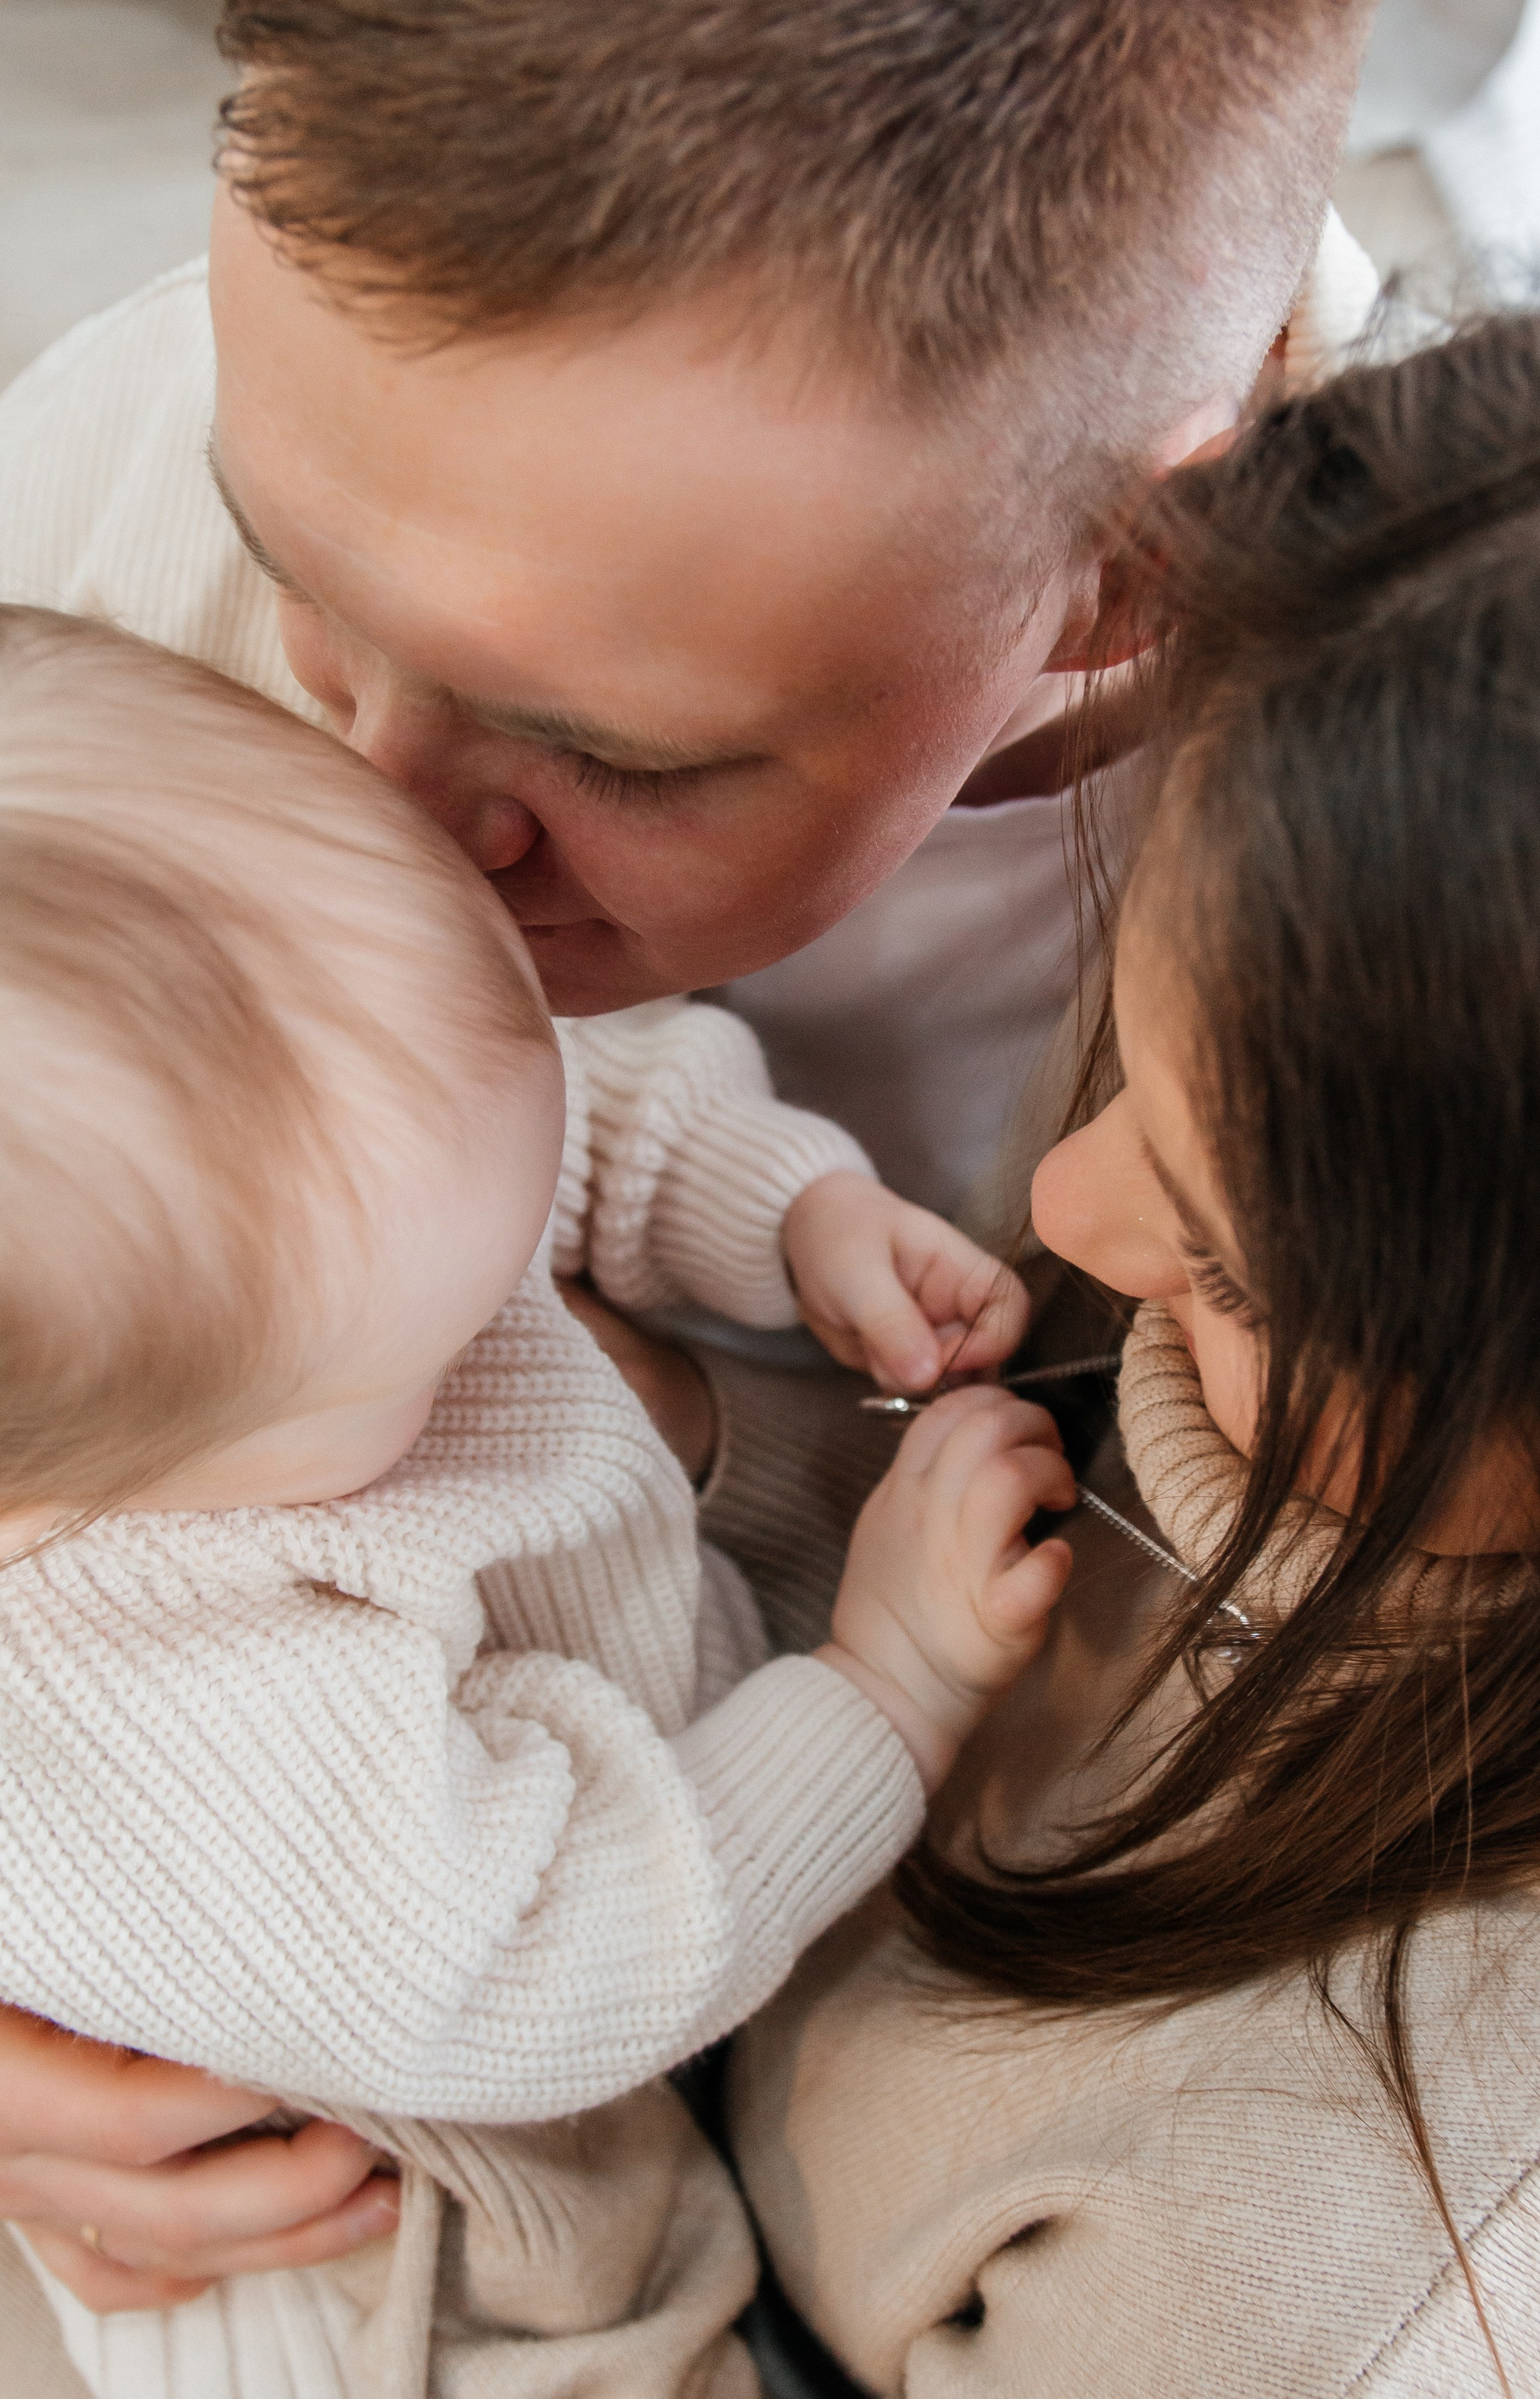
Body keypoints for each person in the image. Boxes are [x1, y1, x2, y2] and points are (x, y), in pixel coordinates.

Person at [0, 0, 1384, 2337]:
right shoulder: (114, 496)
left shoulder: (1451, 850)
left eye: (607, 751)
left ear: (1137, 559)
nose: (395, 835)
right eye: (299, 586)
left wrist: (732, 1447)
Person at [0, 603, 1075, 2398]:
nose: (521, 1302)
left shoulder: (321, 1130)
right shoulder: (160, 1702)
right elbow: (557, 1954)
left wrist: (790, 1210)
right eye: (440, 1346)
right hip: (420, 2234)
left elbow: (539, 1105)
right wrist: (884, 1686)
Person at [727, 294, 1540, 2395]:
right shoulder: (1340, 942)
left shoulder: (1370, 2280)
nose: (1068, 1214)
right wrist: (683, 1445)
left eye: (1226, 1275)